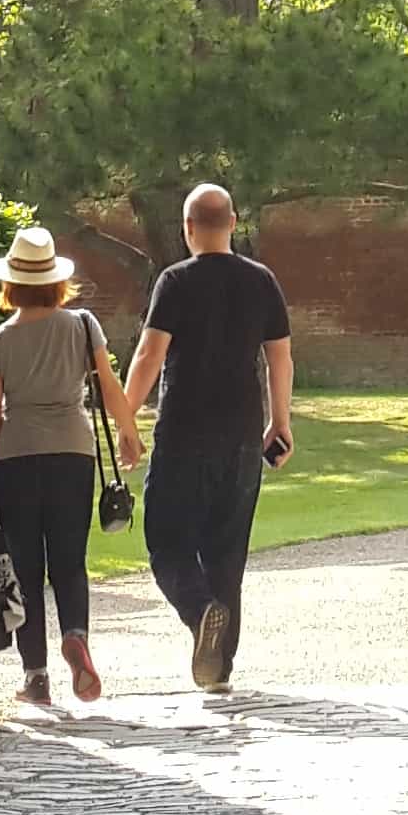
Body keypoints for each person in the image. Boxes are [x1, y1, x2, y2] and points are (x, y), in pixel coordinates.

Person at [123, 184, 293, 690]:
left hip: (183, 430)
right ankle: (219, 669)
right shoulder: (262, 281)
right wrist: (279, 422)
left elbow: (150, 355)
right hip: (241, 430)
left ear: (188, 228)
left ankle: (200, 614)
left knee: (166, 539)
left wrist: (126, 417)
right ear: (234, 223)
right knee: (226, 550)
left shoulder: (174, 281)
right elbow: (279, 356)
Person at [0, 221, 136, 707]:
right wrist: (128, 429)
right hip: (72, 453)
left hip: (17, 457)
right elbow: (107, 385)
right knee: (69, 562)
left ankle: (36, 676)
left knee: (25, 567)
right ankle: (77, 636)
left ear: (11, 284)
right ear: (57, 282)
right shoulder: (84, 326)